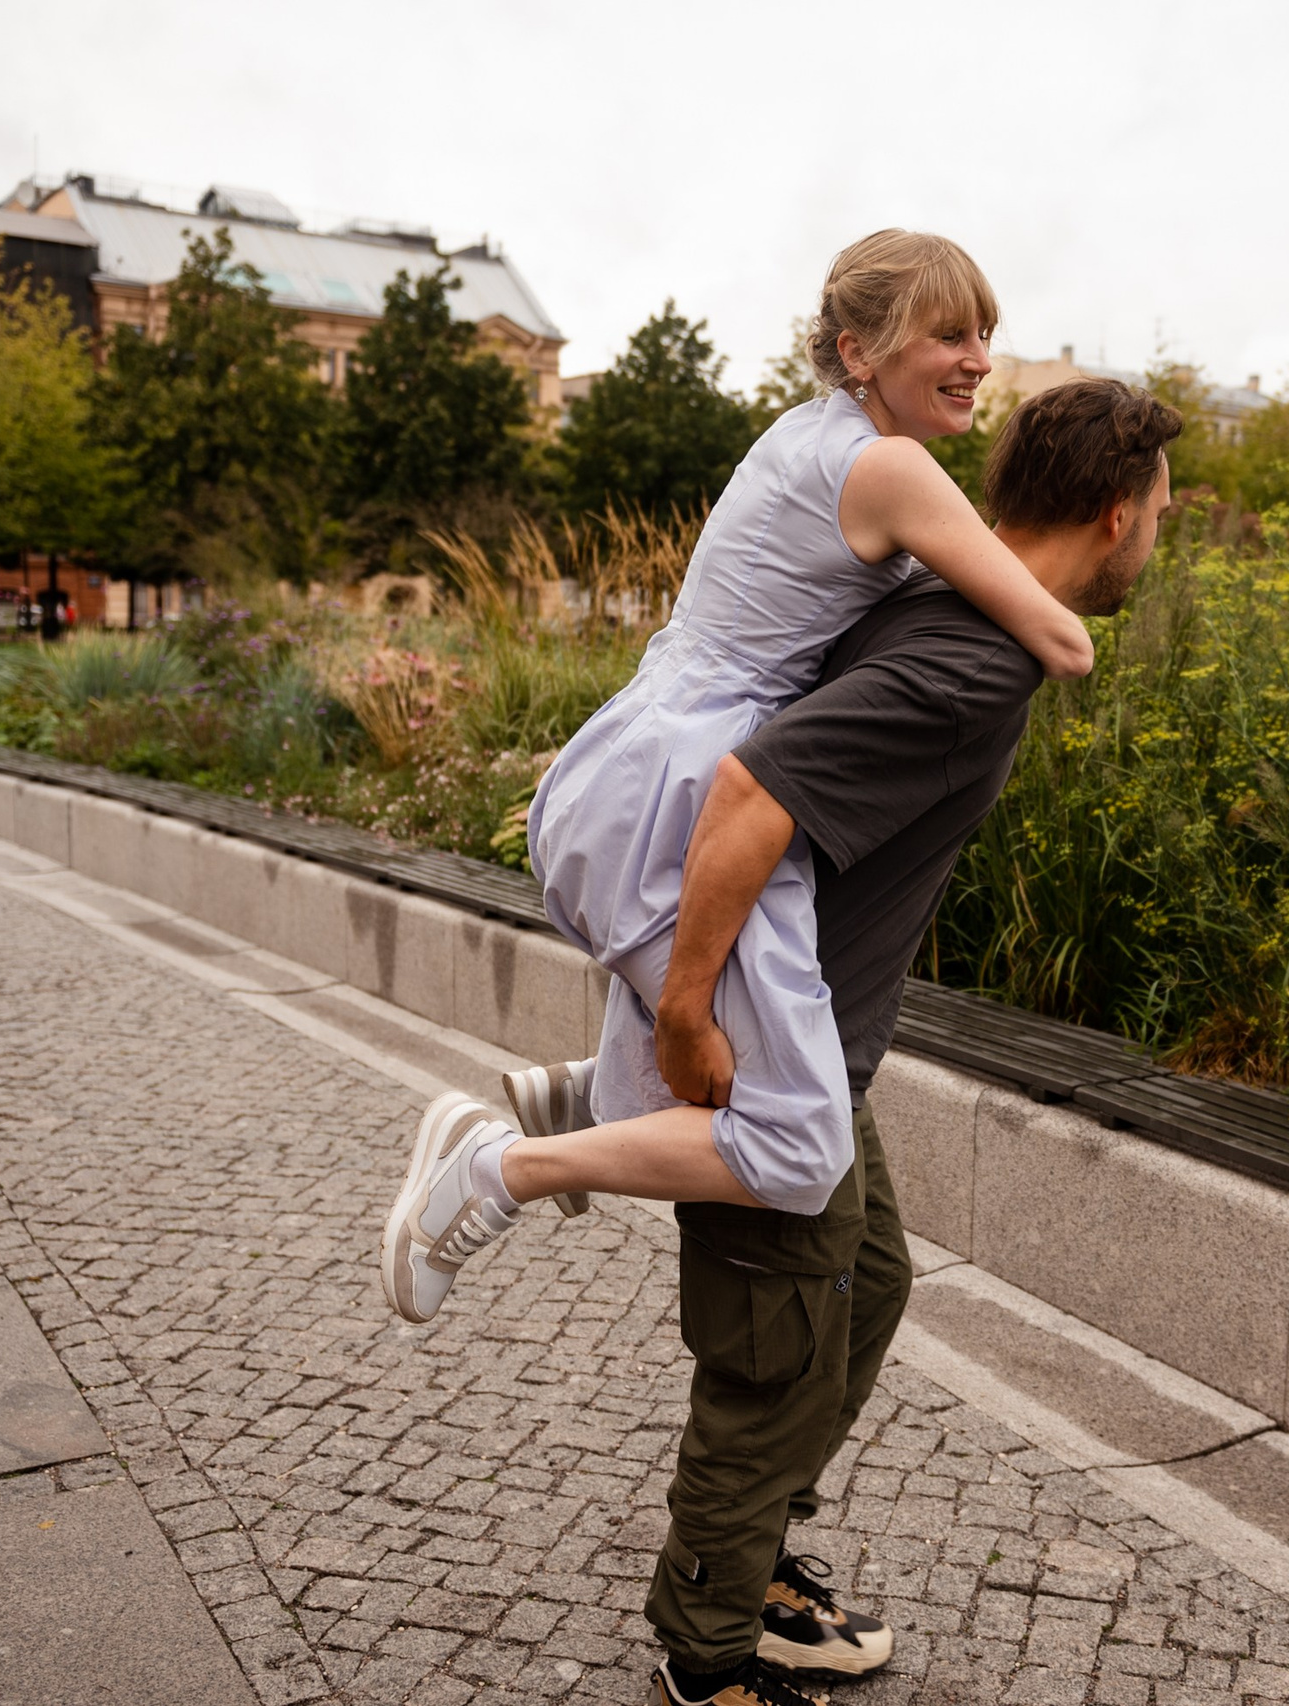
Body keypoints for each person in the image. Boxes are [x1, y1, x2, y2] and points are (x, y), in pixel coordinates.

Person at [437, 379, 1180, 1706]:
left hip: (820, 1035)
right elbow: (748, 795)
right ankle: (708, 1645)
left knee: (871, 1277)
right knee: (773, 1352)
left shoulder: (949, 600)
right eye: (1163, 515)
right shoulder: (975, 662)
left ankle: (757, 1555)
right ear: (1119, 513)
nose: (1160, 538)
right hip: (764, 1047)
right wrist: (685, 1011)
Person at [379, 230, 1096, 1324]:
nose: (978, 358)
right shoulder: (890, 466)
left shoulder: (807, 437)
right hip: (687, 789)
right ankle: (496, 1167)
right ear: (859, 349)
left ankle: (587, 1097)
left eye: (985, 333)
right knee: (800, 1143)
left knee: (733, 1032)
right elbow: (1061, 638)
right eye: (948, 333)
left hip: (633, 761)